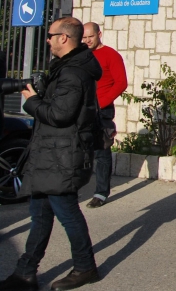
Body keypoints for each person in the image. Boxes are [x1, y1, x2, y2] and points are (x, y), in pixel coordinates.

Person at [2, 17, 101, 290]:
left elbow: (59, 115)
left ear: (64, 38)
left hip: (62, 154)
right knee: (41, 215)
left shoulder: (73, 72)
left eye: (51, 35)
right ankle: (25, 273)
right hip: (52, 153)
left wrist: (31, 100)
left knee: (67, 214)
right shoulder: (67, 68)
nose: (47, 39)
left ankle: (85, 267)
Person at [81, 22, 128, 209]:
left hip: (102, 111)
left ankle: (101, 192)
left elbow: (121, 83)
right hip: (82, 109)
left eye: (90, 37)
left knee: (101, 152)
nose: (86, 41)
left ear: (99, 34)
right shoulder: (82, 55)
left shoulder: (111, 55)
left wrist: (101, 102)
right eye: (83, 38)